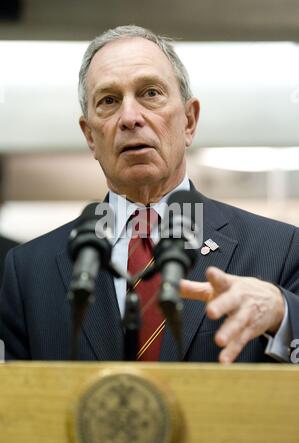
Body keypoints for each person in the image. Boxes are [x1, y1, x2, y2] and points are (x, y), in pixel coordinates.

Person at [0, 25, 298, 363]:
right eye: (109, 101)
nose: (129, 117)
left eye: (150, 93)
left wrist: (284, 315)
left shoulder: (279, 251)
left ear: (189, 120)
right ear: (90, 137)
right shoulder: (29, 271)